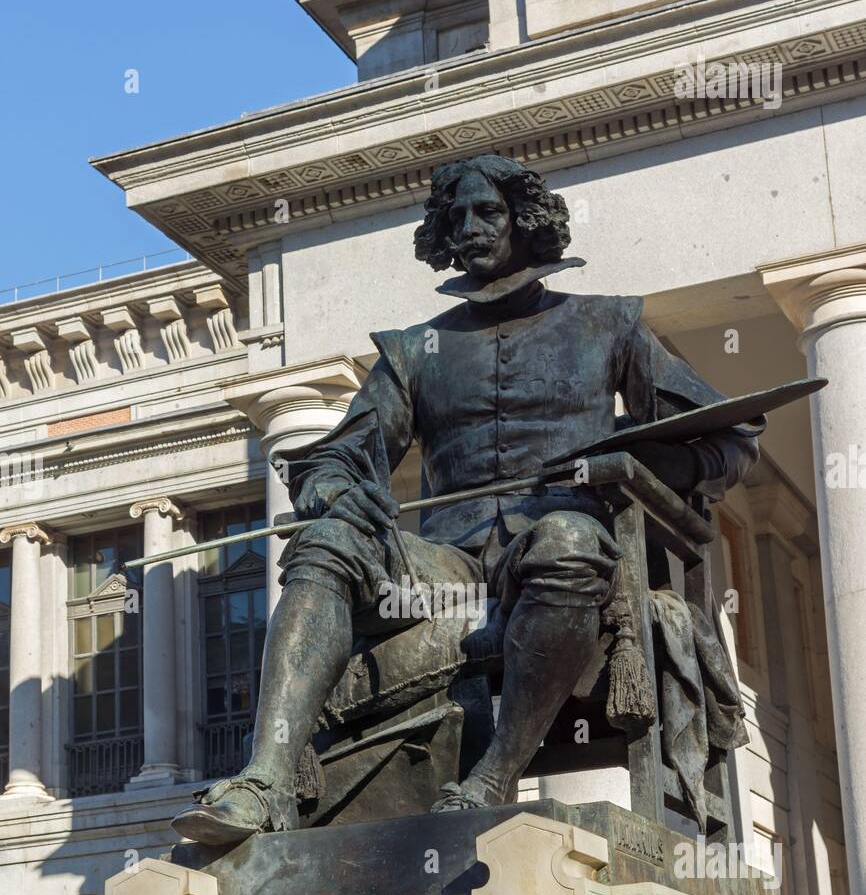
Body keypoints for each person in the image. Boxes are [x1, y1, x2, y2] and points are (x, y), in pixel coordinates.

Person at [172, 154, 761, 845]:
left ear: (526, 221)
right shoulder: (417, 350)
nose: (471, 228)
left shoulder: (610, 325)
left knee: (565, 542)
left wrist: (645, 456)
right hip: (445, 566)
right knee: (326, 542)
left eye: (488, 212)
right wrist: (332, 487)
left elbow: (731, 437)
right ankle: (264, 783)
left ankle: (493, 775)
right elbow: (341, 452)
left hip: (563, 550)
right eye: (457, 217)